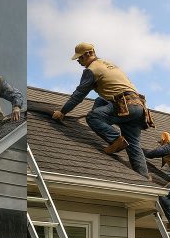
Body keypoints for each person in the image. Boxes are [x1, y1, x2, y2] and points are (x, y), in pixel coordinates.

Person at [51, 43, 151, 178]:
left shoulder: (92, 70)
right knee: (133, 144)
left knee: (93, 117)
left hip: (124, 105)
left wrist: (63, 112)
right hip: (139, 108)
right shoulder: (109, 64)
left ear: (87, 54)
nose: (78, 61)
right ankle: (144, 177)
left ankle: (116, 140)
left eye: (79, 58)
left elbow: (79, 94)